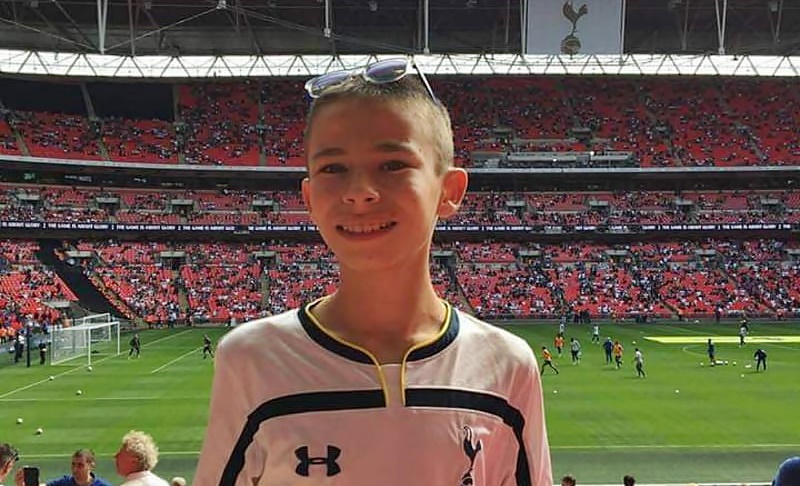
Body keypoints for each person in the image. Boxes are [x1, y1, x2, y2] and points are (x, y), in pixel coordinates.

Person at [193, 58, 553, 486]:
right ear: (308, 197)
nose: (360, 192)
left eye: (393, 165)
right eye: (333, 168)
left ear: (450, 191)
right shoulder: (251, 358)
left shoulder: (507, 365)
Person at [44, 449, 112, 486]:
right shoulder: (65, 482)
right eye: (73, 464)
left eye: (80, 465)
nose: (75, 469)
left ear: (91, 466)